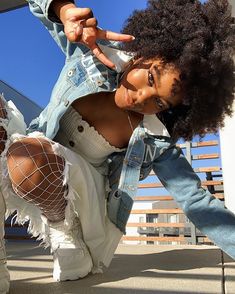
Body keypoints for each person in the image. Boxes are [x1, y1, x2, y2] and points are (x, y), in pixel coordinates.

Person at [0, 0, 234, 291]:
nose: (142, 97)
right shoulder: (91, 57)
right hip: (27, 159)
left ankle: (64, 232)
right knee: (14, 141)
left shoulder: (154, 140)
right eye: (150, 78)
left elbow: (196, 201)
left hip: (81, 202)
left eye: (159, 102)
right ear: (143, 54)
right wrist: (62, 10)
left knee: (27, 157)